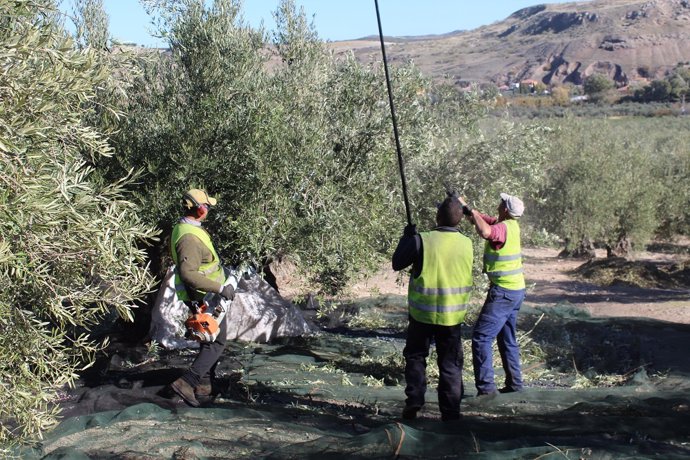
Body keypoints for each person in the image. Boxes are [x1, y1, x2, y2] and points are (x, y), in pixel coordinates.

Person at [392, 195, 473, 421]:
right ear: (459, 220)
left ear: (438, 217)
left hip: (422, 315)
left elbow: (397, 263)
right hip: (452, 317)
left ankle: (415, 400)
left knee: (416, 358)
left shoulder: (422, 240)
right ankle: (450, 412)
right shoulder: (467, 244)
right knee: (450, 364)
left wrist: (406, 238)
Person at [169, 188, 237, 407]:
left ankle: (205, 385)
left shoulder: (189, 228)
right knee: (216, 342)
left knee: (209, 339)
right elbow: (189, 274)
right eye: (207, 206)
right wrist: (220, 288)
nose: (208, 209)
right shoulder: (188, 237)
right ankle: (186, 382)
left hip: (208, 296)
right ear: (199, 209)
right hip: (204, 297)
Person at [459, 193, 526, 396]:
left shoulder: (501, 228)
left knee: (481, 337)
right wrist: (465, 206)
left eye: (501, 203)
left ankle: (486, 389)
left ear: (505, 209)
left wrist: (469, 210)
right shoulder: (509, 225)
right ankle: (515, 384)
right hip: (515, 291)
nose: (498, 204)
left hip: (504, 292)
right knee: (507, 338)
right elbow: (479, 219)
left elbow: (486, 231)